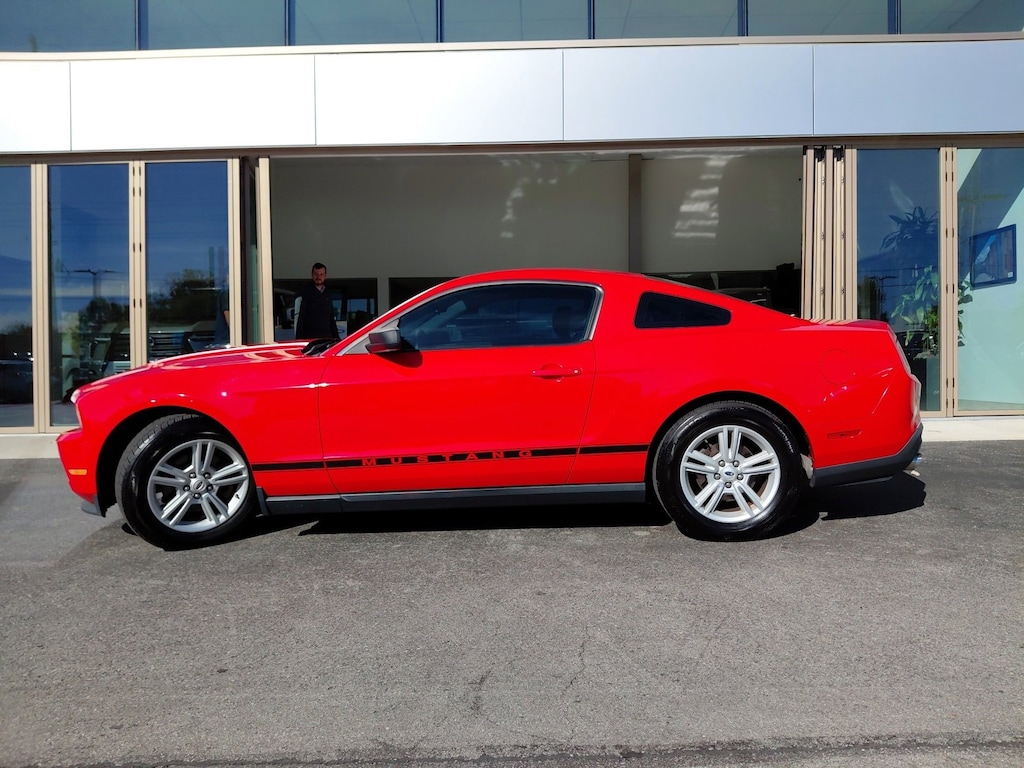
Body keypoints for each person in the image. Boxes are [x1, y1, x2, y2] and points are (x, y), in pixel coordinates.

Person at [294, 262, 339, 340]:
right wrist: (299, 340)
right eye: (316, 274)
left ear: (325, 276)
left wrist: (337, 339)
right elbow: (301, 318)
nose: (318, 277)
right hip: (310, 340)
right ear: (312, 275)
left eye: (321, 275)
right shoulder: (305, 292)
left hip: (327, 340)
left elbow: (331, 318)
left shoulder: (327, 293)